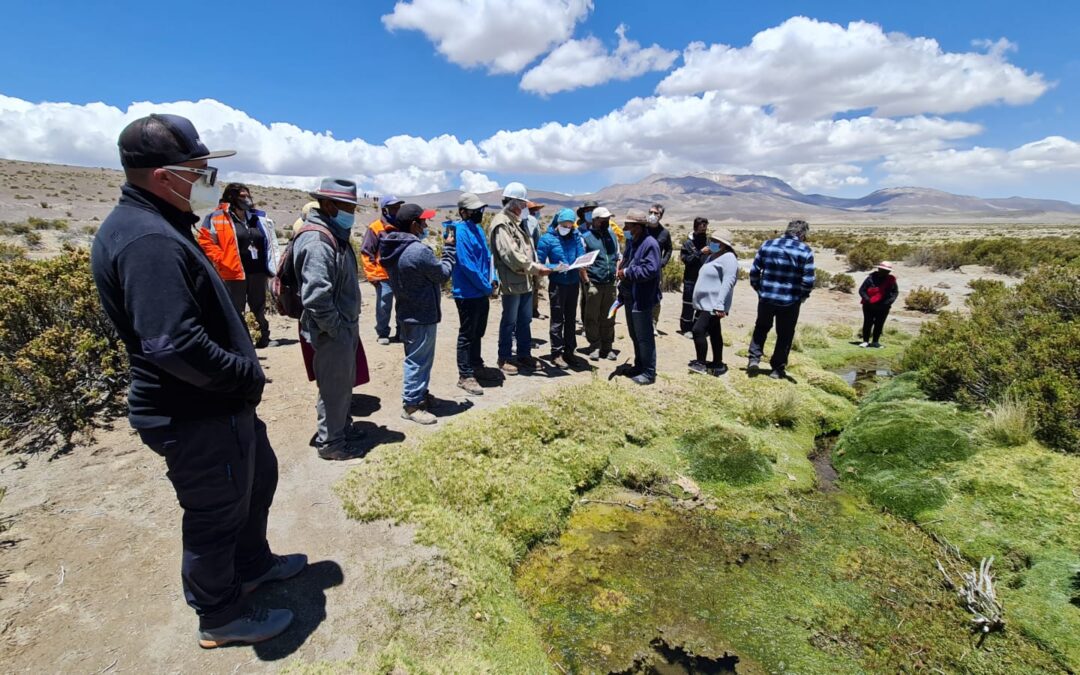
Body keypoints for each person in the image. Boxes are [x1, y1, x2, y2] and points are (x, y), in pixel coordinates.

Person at [90, 113, 304, 648]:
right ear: (164, 176)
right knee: (215, 511)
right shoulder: (146, 240)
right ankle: (220, 614)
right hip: (194, 412)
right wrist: (241, 377)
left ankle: (252, 565)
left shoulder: (164, 224)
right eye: (200, 168)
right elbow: (172, 344)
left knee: (256, 483)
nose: (209, 178)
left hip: (216, 406)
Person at [293, 178, 366, 460]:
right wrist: (334, 327)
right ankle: (332, 444)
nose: (352, 212)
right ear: (328, 204)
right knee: (333, 387)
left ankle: (341, 428)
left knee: (342, 384)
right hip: (331, 330)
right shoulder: (318, 240)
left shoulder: (333, 235)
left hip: (342, 325)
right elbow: (316, 296)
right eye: (348, 206)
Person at [380, 204, 456, 424]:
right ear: (413, 225)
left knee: (415, 357)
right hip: (422, 314)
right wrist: (449, 251)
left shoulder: (393, 247)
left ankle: (420, 395)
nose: (426, 225)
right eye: (423, 222)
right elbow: (442, 274)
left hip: (406, 310)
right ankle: (412, 405)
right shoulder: (418, 251)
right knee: (418, 360)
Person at [197, 183, 280, 348]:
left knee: (259, 306)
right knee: (236, 308)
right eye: (242, 196)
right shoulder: (216, 217)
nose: (247, 199)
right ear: (231, 197)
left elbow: (268, 241)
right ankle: (238, 342)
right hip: (233, 271)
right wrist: (222, 259)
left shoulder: (257, 217)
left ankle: (263, 337)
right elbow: (206, 242)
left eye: (247, 195)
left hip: (257, 271)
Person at [491, 182, 551, 375]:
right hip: (512, 281)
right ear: (514, 203)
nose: (526, 207)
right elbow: (510, 254)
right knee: (509, 320)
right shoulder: (501, 223)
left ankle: (524, 354)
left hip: (525, 280)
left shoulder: (516, 222)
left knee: (524, 320)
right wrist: (534, 268)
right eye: (523, 203)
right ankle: (505, 357)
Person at [748, 219, 815, 380]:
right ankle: (777, 369)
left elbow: (754, 272)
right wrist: (802, 296)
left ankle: (754, 358)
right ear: (801, 233)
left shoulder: (768, 245)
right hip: (790, 300)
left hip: (766, 297)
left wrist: (760, 290)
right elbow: (808, 281)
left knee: (761, 327)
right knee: (784, 334)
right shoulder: (805, 251)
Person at [446, 192, 496, 396]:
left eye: (481, 210)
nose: (479, 213)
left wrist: (493, 279)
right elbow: (467, 264)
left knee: (479, 331)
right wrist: (486, 286)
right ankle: (465, 375)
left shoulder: (478, 230)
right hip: (467, 292)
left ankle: (476, 364)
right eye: (475, 211)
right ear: (463, 212)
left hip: (482, 289)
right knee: (467, 334)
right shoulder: (458, 230)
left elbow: (487, 256)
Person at [536, 208, 586, 369]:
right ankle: (556, 353)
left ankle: (569, 351)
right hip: (557, 284)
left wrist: (582, 263)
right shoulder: (547, 239)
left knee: (571, 319)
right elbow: (539, 262)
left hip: (573, 283)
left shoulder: (576, 237)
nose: (567, 228)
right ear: (557, 223)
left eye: (570, 226)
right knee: (557, 319)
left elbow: (581, 254)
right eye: (564, 225)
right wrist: (554, 267)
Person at [617, 209, 661, 385]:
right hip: (630, 295)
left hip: (642, 297)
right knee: (635, 334)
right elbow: (627, 261)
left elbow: (651, 270)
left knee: (644, 336)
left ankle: (649, 373)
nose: (625, 228)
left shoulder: (650, 244)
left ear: (638, 227)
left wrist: (627, 272)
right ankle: (639, 365)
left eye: (628, 225)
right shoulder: (632, 242)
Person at [689, 230, 739, 376]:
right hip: (705, 303)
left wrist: (720, 304)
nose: (713, 243)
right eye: (712, 240)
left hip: (714, 303)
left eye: (717, 241)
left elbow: (728, 282)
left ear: (724, 245)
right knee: (715, 332)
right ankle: (718, 363)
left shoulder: (729, 258)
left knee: (698, 330)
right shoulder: (712, 256)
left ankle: (701, 363)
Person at [360, 196, 404, 345]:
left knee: (403, 305)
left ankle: (402, 332)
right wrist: (373, 275)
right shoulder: (376, 227)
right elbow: (367, 252)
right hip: (383, 275)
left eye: (398, 208)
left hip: (401, 275)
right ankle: (383, 332)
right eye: (393, 208)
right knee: (384, 306)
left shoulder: (402, 225)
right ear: (385, 210)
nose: (396, 211)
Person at [580, 206, 620, 361]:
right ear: (595, 220)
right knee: (592, 317)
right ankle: (594, 346)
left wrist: (617, 272)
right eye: (604, 219)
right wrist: (587, 282)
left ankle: (607, 347)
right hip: (594, 282)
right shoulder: (586, 237)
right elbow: (581, 262)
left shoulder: (612, 235)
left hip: (610, 283)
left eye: (608, 219)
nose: (607, 221)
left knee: (609, 316)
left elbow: (617, 256)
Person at [679, 217, 710, 336]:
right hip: (690, 279)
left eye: (705, 229)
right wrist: (700, 252)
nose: (703, 232)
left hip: (705, 279)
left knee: (702, 305)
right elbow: (687, 260)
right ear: (695, 228)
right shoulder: (687, 244)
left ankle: (697, 328)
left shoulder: (709, 242)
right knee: (688, 304)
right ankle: (686, 328)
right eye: (701, 229)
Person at [858, 261, 899, 348]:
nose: (885, 272)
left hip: (884, 306)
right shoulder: (870, 278)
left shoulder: (891, 280)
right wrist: (868, 300)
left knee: (879, 324)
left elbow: (895, 292)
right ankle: (865, 341)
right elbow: (862, 290)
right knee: (868, 322)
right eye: (884, 270)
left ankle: (875, 342)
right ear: (879, 269)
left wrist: (888, 302)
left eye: (887, 271)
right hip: (869, 306)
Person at [646, 203, 673, 332]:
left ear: (661, 216)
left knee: (656, 297)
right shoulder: (641, 229)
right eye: (650, 212)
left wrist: (663, 262)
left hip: (656, 270)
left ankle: (653, 323)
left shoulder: (664, 233)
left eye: (656, 213)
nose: (652, 215)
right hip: (640, 268)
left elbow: (669, 249)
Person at [524, 202, 546, 319]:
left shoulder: (521, 220)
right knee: (534, 285)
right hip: (533, 257)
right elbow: (538, 241)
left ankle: (528, 310)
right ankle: (533, 310)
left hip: (522, 258)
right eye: (537, 210)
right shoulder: (534, 222)